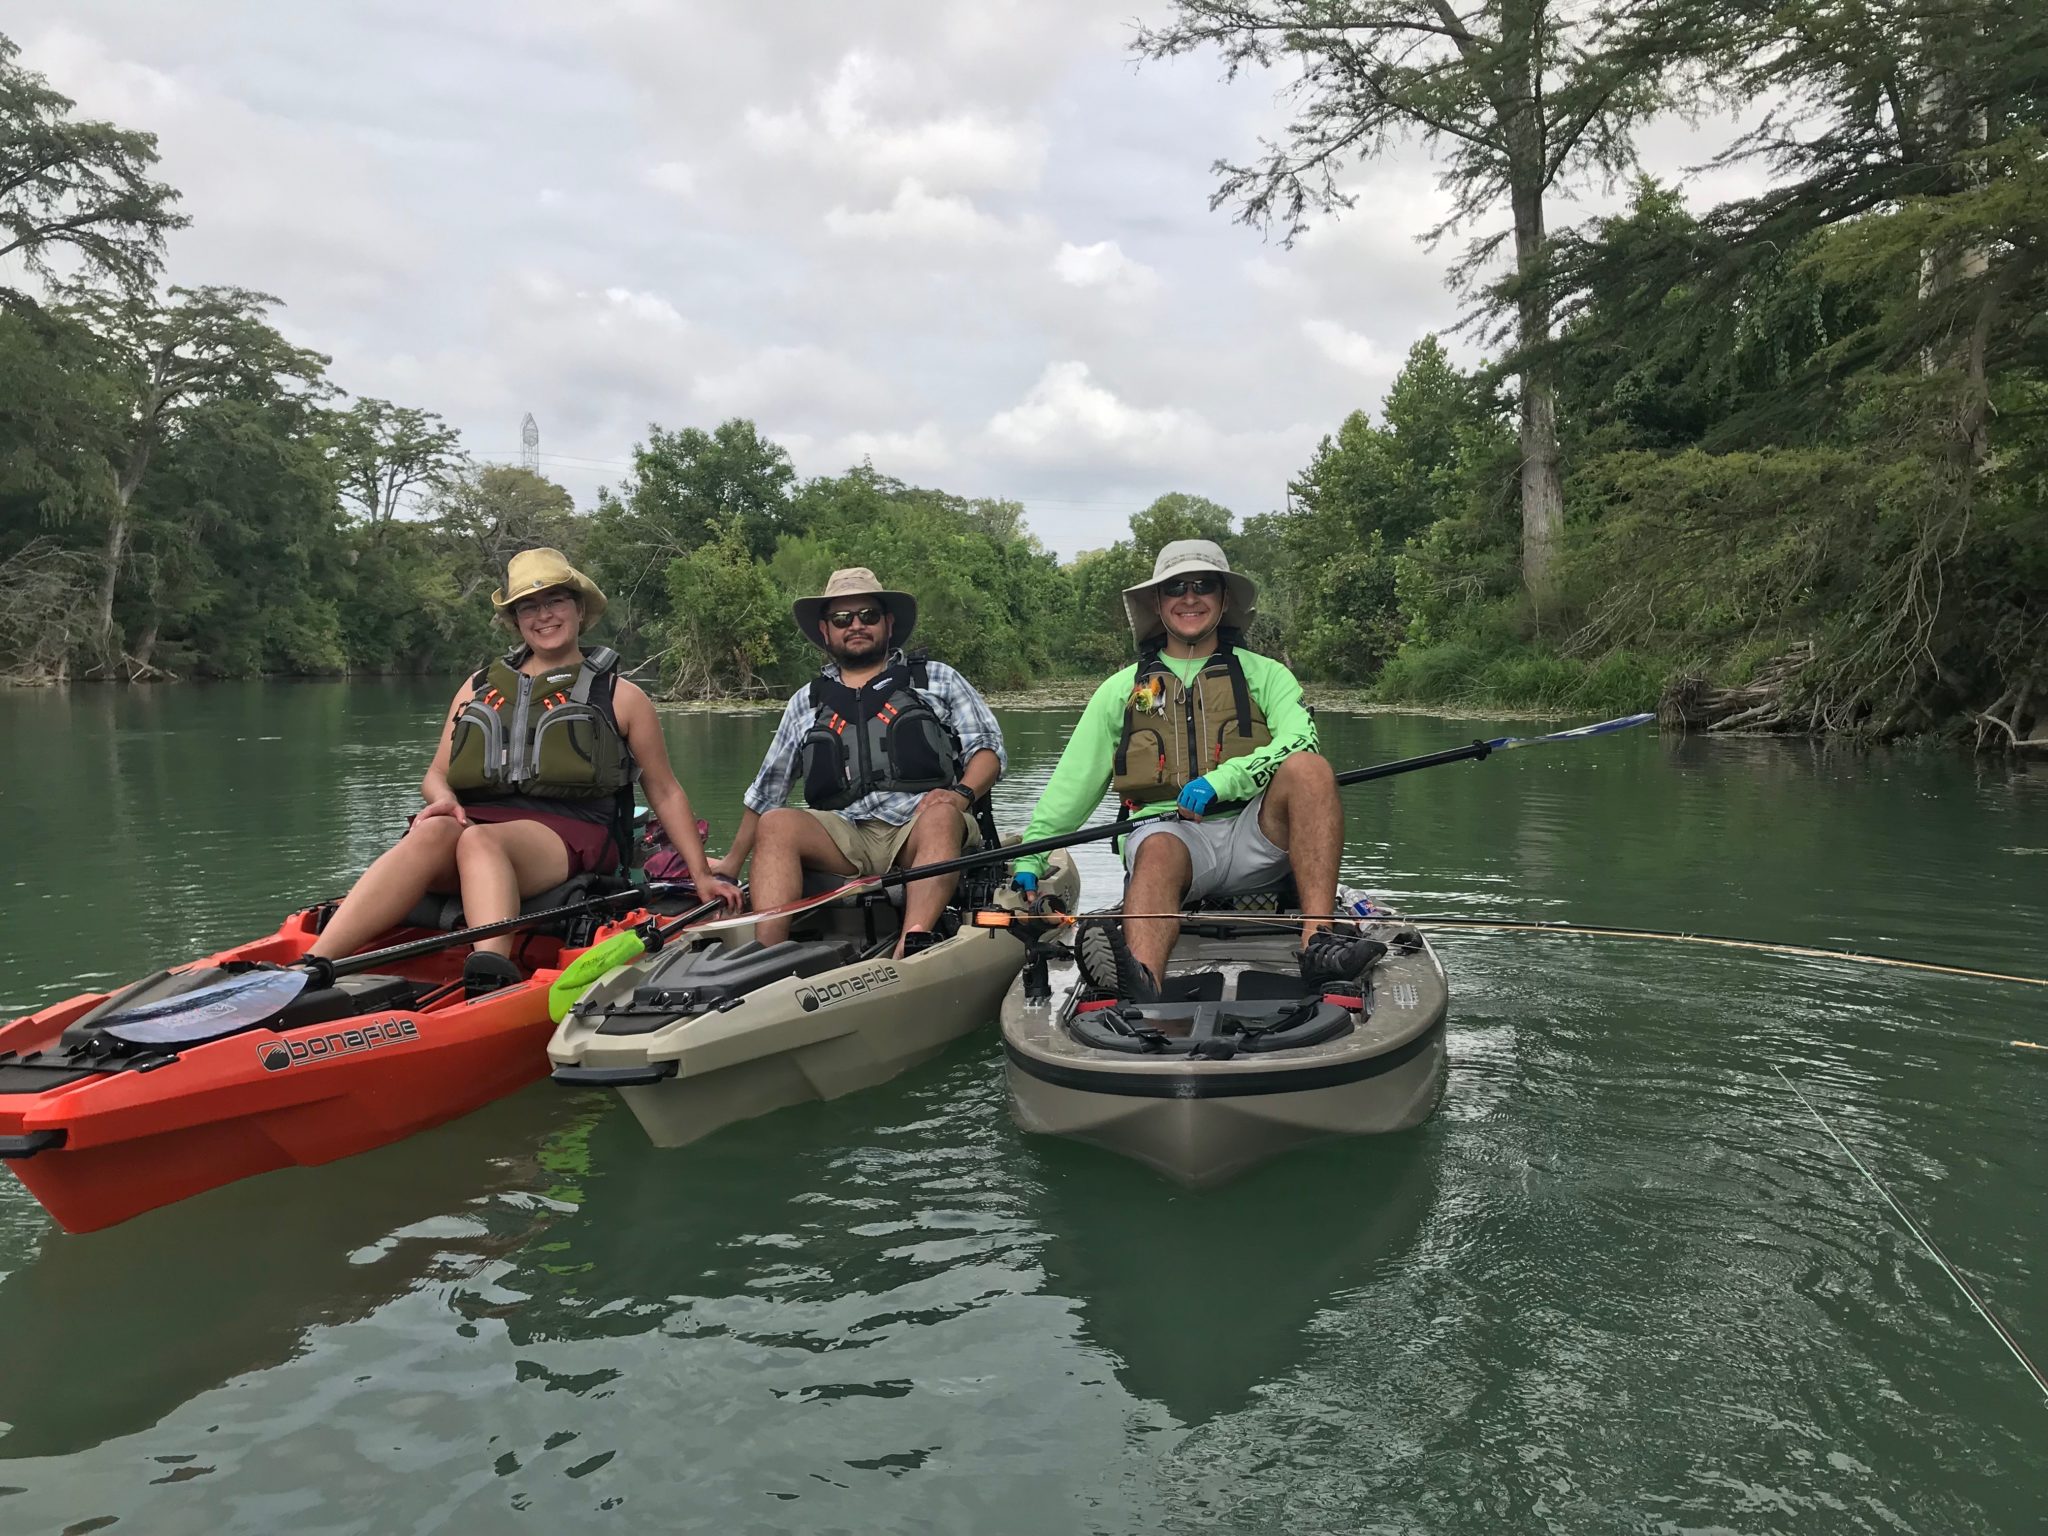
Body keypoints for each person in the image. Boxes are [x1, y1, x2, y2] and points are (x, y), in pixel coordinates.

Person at [308, 548, 740, 992]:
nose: (543, 615)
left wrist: (701, 875)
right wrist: (443, 802)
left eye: (554, 600)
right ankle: (312, 965)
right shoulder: (477, 687)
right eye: (528, 606)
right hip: (476, 824)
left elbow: (664, 791)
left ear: (578, 609)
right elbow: (436, 774)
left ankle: (490, 972)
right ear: (515, 620)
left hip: (570, 833)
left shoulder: (622, 696)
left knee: (479, 839)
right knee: (432, 832)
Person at [1010, 539, 1375, 997]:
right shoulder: (1122, 690)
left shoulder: (1266, 675)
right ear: (1157, 605)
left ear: (1223, 601)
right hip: (1168, 838)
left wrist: (1226, 779)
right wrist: (1032, 855)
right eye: (1174, 588)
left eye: (1203, 585)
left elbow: (1300, 740)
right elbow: (1071, 786)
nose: (1189, 597)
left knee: (1310, 770)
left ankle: (1320, 944)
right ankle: (1138, 981)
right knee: (1159, 846)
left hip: (1257, 833)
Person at [712, 567, 1006, 958]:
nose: (856, 625)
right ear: (826, 630)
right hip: (844, 836)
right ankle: (764, 958)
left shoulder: (937, 679)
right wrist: (731, 864)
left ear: (888, 622)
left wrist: (961, 795)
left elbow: (988, 751)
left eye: (868, 615)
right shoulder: (807, 701)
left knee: (941, 816)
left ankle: (911, 945)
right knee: (776, 823)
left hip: (917, 825)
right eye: (842, 619)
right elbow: (768, 790)